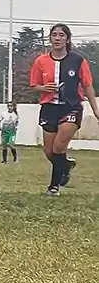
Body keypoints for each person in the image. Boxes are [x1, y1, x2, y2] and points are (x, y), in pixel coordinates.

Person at [30, 23, 99, 195]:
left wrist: (96, 109)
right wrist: (43, 88)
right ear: (50, 38)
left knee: (59, 146)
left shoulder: (78, 61)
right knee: (49, 151)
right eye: (54, 35)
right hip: (49, 108)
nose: (58, 38)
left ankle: (53, 187)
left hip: (71, 108)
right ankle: (65, 166)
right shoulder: (41, 61)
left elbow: (88, 86)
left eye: (61, 35)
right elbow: (33, 85)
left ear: (67, 39)